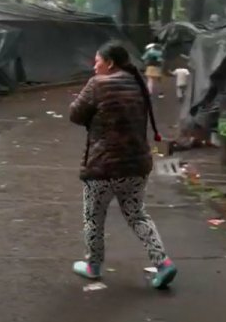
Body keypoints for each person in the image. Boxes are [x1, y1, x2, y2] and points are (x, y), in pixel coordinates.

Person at [68, 40, 178, 290]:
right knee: (137, 215)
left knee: (94, 218)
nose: (94, 67)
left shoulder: (97, 84)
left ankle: (93, 266)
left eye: (97, 62)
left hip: (103, 168)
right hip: (136, 166)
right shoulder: (138, 84)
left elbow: (75, 114)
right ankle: (163, 263)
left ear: (109, 63)